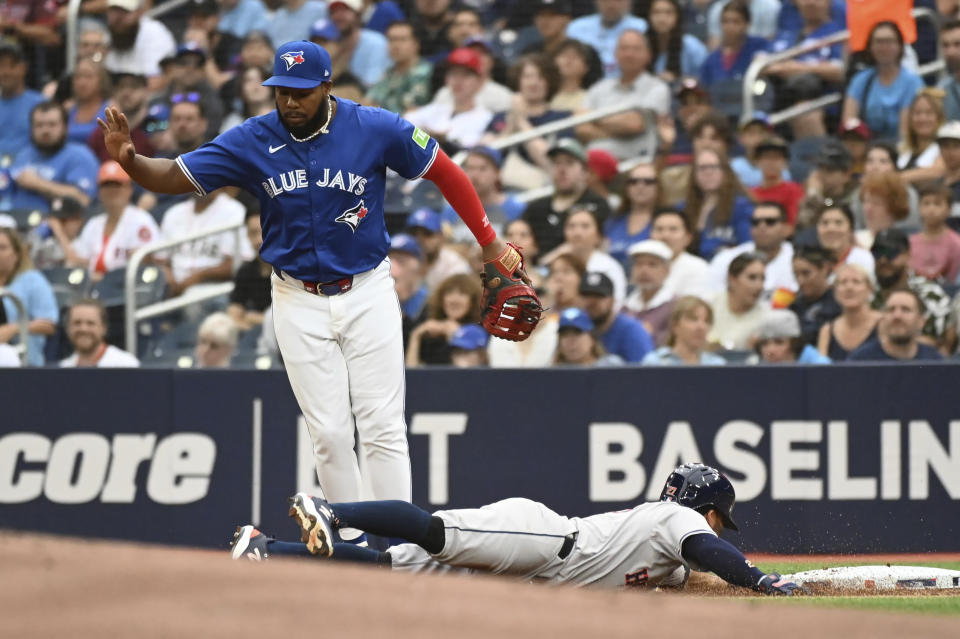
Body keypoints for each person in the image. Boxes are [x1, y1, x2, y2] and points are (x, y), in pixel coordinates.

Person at [98, 39, 536, 511]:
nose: (289, 101)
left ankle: (397, 544)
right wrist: (131, 162)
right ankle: (350, 541)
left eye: (301, 91)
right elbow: (174, 175)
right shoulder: (252, 137)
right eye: (281, 90)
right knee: (327, 432)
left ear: (326, 86)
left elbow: (445, 171)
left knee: (382, 424)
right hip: (295, 296)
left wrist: (488, 241)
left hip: (367, 288)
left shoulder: (372, 126)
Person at [233, 463, 799, 597]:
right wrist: (761, 582)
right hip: (546, 541)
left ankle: (266, 549)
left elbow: (697, 573)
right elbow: (711, 550)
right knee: (434, 532)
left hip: (537, 567)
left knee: (393, 568)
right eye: (721, 517)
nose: (720, 528)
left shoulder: (668, 555)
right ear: (707, 510)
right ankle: (334, 512)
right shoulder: (675, 520)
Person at [577, 29, 670, 161]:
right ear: (615, 54)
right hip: (591, 165)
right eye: (624, 48)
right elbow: (581, 128)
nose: (629, 54)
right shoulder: (599, 88)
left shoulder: (657, 88)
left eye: (636, 49)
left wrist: (593, 118)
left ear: (648, 55)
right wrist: (617, 128)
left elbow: (635, 124)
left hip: (632, 167)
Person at [484, 54, 571, 190]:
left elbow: (549, 161)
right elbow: (485, 156)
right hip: (497, 188)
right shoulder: (500, 117)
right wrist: (510, 126)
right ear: (518, 81)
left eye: (540, 77)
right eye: (527, 77)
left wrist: (521, 121)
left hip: (540, 188)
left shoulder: (561, 118)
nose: (533, 83)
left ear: (549, 82)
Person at [67, 161, 159, 281]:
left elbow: (152, 261)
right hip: (92, 288)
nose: (112, 190)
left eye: (117, 184)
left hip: (126, 288)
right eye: (106, 185)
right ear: (99, 191)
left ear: (129, 189)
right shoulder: (94, 223)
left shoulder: (141, 220)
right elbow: (77, 259)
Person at [522, 138, 612, 257]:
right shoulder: (536, 208)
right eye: (556, 163)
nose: (562, 169)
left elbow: (602, 245)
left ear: (585, 171)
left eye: (569, 162)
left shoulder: (597, 205)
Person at [871, 228, 954, 353]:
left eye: (890, 253)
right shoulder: (867, 295)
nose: (883, 260)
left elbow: (942, 344)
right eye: (877, 253)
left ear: (907, 256)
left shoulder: (930, 294)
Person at [7, 102, 99, 213]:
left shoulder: (80, 156)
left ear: (65, 127)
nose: (45, 130)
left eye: (52, 124)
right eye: (39, 125)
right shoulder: (24, 155)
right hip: (12, 220)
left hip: (54, 223)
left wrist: (38, 183)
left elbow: (83, 199)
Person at [841, 21, 923, 145]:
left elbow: (905, 133)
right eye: (879, 42)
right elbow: (849, 122)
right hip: (865, 147)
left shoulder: (912, 83)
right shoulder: (860, 80)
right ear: (870, 46)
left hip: (899, 147)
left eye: (889, 41)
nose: (884, 47)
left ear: (900, 46)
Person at [158, 188, 246, 299]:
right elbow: (160, 260)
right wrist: (170, 279)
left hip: (211, 287)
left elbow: (238, 264)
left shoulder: (234, 211)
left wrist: (200, 276)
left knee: (194, 298)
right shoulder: (174, 213)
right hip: (172, 288)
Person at [706, 202, 796, 308]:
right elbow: (710, 298)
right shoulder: (727, 258)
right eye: (755, 222)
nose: (762, 227)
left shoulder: (797, 259)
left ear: (786, 228)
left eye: (770, 222)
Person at [404, 47, 493, 154]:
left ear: (479, 81)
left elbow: (469, 150)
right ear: (446, 78)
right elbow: (405, 122)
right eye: (454, 74)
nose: (458, 81)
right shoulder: (437, 109)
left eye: (465, 75)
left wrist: (442, 140)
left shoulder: (485, 117)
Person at [542, 206, 627, 309]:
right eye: (571, 226)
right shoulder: (557, 264)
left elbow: (616, 306)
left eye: (585, 226)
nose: (577, 233)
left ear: (599, 235)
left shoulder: (609, 267)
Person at [0, 227, 57, 366]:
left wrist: (13, 328)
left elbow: (49, 325)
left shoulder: (32, 280)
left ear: (16, 254)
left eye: (2, 247)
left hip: (23, 362)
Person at [441, 146, 525, 240]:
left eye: (482, 169)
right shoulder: (452, 211)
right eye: (470, 168)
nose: (475, 175)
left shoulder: (515, 209)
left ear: (497, 173)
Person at [686, 147, 753, 261]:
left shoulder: (742, 206)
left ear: (725, 172)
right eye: (702, 168)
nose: (708, 172)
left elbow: (748, 247)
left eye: (714, 167)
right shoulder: (682, 208)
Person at [699, 0, 771, 103]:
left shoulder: (760, 46)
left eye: (736, 22)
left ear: (747, 24)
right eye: (725, 21)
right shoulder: (711, 60)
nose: (730, 27)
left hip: (755, 105)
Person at [406, 273, 482, 366]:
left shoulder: (480, 331)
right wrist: (416, 336)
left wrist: (457, 335)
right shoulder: (430, 332)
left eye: (462, 293)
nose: (454, 300)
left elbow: (467, 373)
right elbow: (413, 374)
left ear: (473, 301)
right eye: (449, 293)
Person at [848, 289, 943, 361]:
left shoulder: (934, 361)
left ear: (921, 321)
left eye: (905, 309)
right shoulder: (860, 360)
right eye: (891, 310)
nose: (897, 316)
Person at [579, 271, 653, 363]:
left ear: (612, 301)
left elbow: (645, 373)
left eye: (598, 296)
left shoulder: (631, 331)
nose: (591, 302)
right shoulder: (575, 329)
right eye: (586, 296)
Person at [104, 0, 177, 90]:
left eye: (125, 11)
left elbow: (156, 83)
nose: (119, 18)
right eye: (114, 11)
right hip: (117, 97)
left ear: (139, 12)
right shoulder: (110, 34)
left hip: (149, 98)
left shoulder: (154, 32)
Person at [565, 0, 648, 78]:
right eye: (606, 0)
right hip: (585, 83)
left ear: (629, 2)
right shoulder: (576, 27)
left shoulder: (641, 27)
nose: (611, 5)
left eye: (617, 0)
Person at [816, 263, 880, 361]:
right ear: (835, 291)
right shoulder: (827, 330)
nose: (849, 287)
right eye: (843, 282)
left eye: (856, 282)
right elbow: (820, 369)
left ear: (870, 289)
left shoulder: (884, 323)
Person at [366, 21, 433, 115]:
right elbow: (369, 102)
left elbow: (414, 111)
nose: (395, 45)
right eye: (391, 40)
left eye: (402, 40)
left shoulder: (425, 73)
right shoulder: (389, 72)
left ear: (416, 44)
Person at [604, 162, 660, 271]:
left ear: (658, 187)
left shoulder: (665, 222)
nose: (640, 186)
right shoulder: (612, 223)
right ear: (627, 187)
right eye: (633, 182)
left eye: (648, 182)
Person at [325, 0, 390, 88]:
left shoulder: (375, 42)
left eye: (344, 11)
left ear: (357, 14)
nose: (338, 16)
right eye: (334, 12)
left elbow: (373, 87)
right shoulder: (333, 45)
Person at [642, 296, 726, 365]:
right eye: (693, 319)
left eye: (706, 321)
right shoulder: (655, 362)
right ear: (675, 325)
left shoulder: (716, 364)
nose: (701, 327)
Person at [709, 252, 767, 350]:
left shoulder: (767, 317)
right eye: (752, 277)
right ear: (731, 279)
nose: (759, 286)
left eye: (763, 279)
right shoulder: (708, 305)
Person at [227, 207, 272, 331]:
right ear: (247, 236)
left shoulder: (292, 268)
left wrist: (255, 318)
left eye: (264, 232)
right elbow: (234, 314)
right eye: (253, 233)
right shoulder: (245, 271)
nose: (259, 240)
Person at [623, 239, 675, 346]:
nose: (644, 270)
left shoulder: (675, 305)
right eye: (639, 264)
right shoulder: (625, 306)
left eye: (652, 265)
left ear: (667, 271)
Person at [405, 207, 470, 293]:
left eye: (427, 233)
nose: (419, 240)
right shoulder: (400, 261)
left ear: (441, 236)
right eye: (413, 234)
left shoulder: (454, 264)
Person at [59, 298, 140, 367]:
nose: (83, 329)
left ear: (104, 328)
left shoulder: (126, 364)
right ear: (68, 328)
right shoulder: (64, 367)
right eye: (77, 323)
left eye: (90, 323)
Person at [650, 207, 709, 298]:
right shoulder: (641, 266)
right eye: (659, 229)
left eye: (673, 229)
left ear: (688, 238)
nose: (665, 236)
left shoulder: (698, 267)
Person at [0, 42, 43, 164]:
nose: (5, 72)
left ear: (23, 68)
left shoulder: (41, 104)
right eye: (1, 65)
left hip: (30, 171)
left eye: (12, 65)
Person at [788, 244, 840, 345]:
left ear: (824, 269)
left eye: (806, 273)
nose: (800, 281)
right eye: (796, 275)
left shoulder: (838, 302)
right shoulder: (795, 306)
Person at [647, 0, 707, 84]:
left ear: (677, 16)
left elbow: (705, 80)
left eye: (668, 12)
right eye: (656, 12)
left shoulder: (692, 46)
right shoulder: (643, 46)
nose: (661, 18)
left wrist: (677, 80)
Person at [910, 182, 960, 283]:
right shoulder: (911, 243)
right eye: (926, 203)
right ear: (919, 207)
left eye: (937, 204)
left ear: (949, 209)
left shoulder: (956, 243)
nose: (931, 209)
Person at [750, 137, 803, 227]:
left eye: (776, 157)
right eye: (766, 157)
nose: (771, 162)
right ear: (757, 162)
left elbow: (792, 225)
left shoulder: (794, 190)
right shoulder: (751, 194)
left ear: (785, 163)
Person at [388, 233, 428, 347]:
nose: (392, 269)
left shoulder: (428, 303)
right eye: (389, 260)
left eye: (401, 261)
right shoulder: (376, 301)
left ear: (419, 266)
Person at [855, 171, 912, 250]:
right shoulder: (854, 240)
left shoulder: (905, 244)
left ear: (894, 207)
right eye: (866, 201)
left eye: (876, 203)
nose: (868, 208)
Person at [752, 308, 832, 364]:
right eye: (764, 343)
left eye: (779, 342)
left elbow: (826, 374)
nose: (771, 351)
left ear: (795, 343)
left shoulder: (812, 359)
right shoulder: (756, 362)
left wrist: (822, 358)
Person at [898, 89, 945, 181]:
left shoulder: (944, 147)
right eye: (917, 113)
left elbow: (938, 171)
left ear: (939, 118)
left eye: (929, 113)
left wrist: (895, 179)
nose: (922, 118)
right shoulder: (903, 149)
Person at [814, 202, 874, 272]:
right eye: (825, 223)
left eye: (838, 223)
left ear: (851, 230)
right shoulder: (810, 264)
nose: (831, 228)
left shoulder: (863, 260)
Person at [554, 306, 623, 366]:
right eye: (565, 334)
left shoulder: (612, 366)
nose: (571, 340)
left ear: (592, 338)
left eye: (577, 333)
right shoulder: (553, 374)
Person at [65, 57, 111, 147]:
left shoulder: (110, 109)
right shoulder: (67, 109)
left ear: (101, 81)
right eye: (78, 77)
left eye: (88, 76)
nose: (82, 82)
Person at [550, 38, 602, 112]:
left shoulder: (591, 97)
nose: (568, 59)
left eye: (575, 56)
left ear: (586, 67)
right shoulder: (544, 95)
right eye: (564, 54)